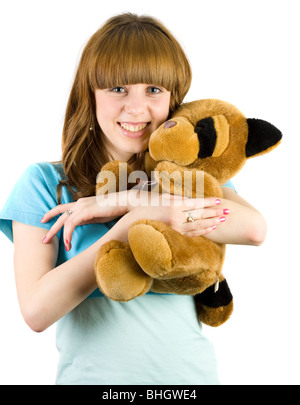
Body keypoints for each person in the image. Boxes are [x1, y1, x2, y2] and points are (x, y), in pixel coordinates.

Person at [0, 13, 267, 385]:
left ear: (174, 99)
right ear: (90, 94)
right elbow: (36, 311)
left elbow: (254, 229)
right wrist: (127, 227)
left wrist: (125, 203)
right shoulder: (46, 184)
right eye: (118, 89)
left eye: (154, 90)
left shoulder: (190, 178)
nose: (137, 108)